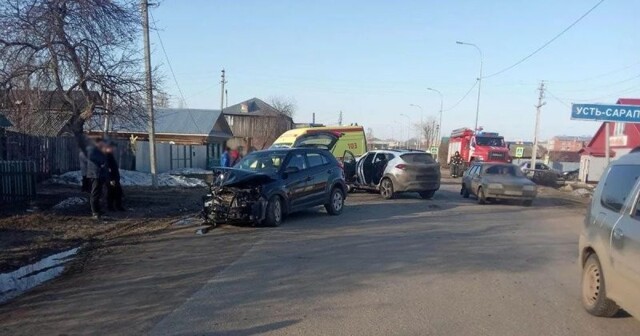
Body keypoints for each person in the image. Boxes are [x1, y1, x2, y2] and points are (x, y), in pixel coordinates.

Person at [86, 138, 108, 219]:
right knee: (95, 193)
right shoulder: (92, 149)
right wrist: (101, 163)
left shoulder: (98, 150)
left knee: (98, 193)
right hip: (95, 174)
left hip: (99, 174)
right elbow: (92, 158)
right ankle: (94, 212)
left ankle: (97, 210)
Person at [105, 142, 124, 211]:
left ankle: (117, 206)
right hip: (111, 178)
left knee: (118, 192)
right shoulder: (106, 156)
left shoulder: (110, 155)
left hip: (114, 177)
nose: (114, 149)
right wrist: (111, 179)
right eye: (113, 148)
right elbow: (108, 169)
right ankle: (110, 207)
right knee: (111, 193)